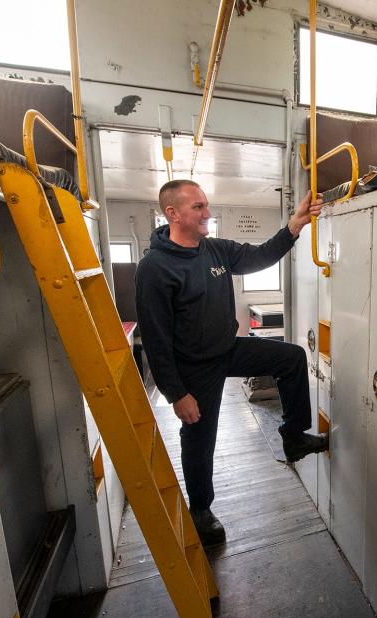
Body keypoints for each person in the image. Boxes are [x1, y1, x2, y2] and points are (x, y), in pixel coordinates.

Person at [135, 179, 328, 546]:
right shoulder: (155, 268)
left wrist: (295, 225)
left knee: (291, 358)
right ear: (172, 213)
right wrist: (177, 394)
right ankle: (201, 510)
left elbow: (258, 256)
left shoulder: (216, 250)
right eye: (198, 208)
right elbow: (156, 340)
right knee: (199, 436)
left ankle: (293, 437)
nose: (208, 213)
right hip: (193, 367)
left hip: (227, 349)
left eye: (206, 205)